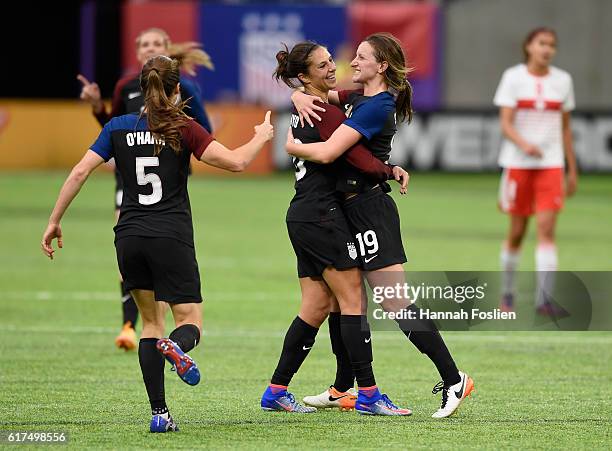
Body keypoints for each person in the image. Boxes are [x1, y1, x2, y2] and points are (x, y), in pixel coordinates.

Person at [42, 55, 274, 432]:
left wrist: (54, 221)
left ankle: (160, 415)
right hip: (171, 236)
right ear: (177, 89)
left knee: (150, 323)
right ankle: (178, 347)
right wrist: (261, 138)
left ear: (143, 91)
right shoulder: (184, 128)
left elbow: (81, 170)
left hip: (128, 236)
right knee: (190, 321)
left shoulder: (118, 126)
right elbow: (235, 163)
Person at [287, 32, 473, 418]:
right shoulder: (360, 99)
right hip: (349, 211)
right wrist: (297, 94)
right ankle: (341, 389)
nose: (352, 63)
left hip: (370, 209)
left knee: (395, 301)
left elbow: (327, 152)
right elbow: (318, 96)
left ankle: (454, 378)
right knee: (345, 301)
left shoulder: (376, 108)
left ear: (381, 66)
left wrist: (290, 145)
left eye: (361, 57)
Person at [260, 41, 412, 416]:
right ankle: (369, 395)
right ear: (306, 74)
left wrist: (296, 93)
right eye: (324, 65)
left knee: (316, 305)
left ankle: (276, 390)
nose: (333, 67)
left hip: (303, 214)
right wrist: (386, 169)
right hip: (323, 215)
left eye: (332, 60)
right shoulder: (321, 112)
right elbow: (356, 157)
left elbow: (335, 100)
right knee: (352, 302)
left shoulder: (312, 102)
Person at [77, 27, 214, 351]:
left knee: (143, 243)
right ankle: (130, 323)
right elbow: (112, 126)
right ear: (137, 52)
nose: (150, 48)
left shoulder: (185, 87)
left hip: (168, 178)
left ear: (168, 48)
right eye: (145, 44)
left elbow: (204, 132)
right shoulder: (127, 85)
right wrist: (98, 106)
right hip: (129, 176)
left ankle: (150, 327)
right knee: (135, 243)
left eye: (157, 44)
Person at [494, 27, 577, 316]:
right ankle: (507, 294)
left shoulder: (563, 80)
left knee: (547, 230)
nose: (547, 49)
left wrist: (571, 168)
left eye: (552, 45)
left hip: (551, 166)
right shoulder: (513, 78)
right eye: (542, 43)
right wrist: (524, 144)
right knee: (517, 231)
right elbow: (506, 123)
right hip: (518, 165)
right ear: (529, 46)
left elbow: (566, 128)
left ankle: (544, 300)